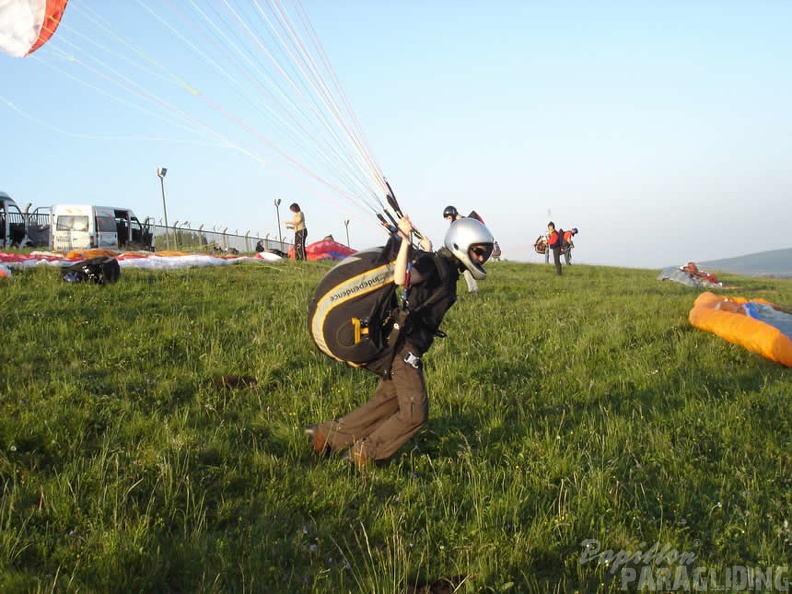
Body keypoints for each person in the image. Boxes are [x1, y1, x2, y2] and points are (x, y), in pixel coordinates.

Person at [304, 215, 495, 469]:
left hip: (402, 345)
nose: (481, 258)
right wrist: (404, 241)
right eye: (478, 251)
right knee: (415, 413)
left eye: (485, 253)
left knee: (386, 404)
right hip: (404, 349)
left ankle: (325, 437)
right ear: (461, 244)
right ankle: (363, 455)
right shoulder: (435, 266)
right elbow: (401, 279)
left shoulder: (444, 268)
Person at [442, 205, 478, 294]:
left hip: (466, 250)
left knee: (467, 270)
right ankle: (472, 290)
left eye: (448, 217)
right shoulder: (457, 222)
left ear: (452, 214)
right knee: (465, 270)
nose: (448, 219)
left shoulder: (463, 222)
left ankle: (473, 290)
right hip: (462, 250)